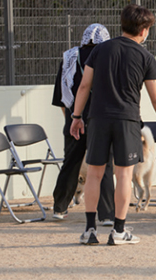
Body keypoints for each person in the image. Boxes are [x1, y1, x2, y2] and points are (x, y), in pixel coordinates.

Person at [70, 4, 156, 246]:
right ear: (145, 30)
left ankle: (89, 230)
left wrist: (76, 117)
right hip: (127, 120)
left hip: (97, 118)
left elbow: (84, 86)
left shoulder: (99, 50)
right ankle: (118, 231)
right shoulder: (146, 57)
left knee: (94, 174)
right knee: (124, 175)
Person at [50, 23, 116, 225]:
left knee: (71, 163)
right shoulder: (109, 57)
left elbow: (61, 97)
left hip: (74, 119)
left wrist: (71, 119)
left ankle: (60, 208)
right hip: (102, 120)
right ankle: (106, 214)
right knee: (104, 166)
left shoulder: (69, 57)